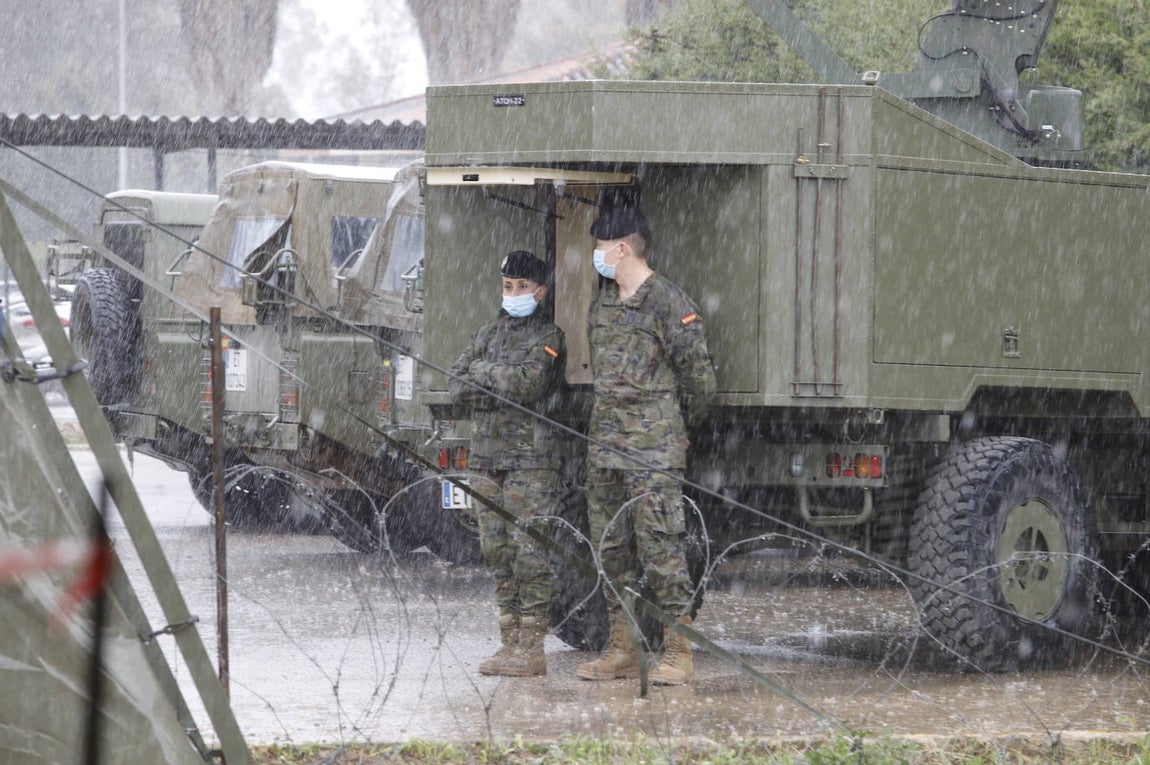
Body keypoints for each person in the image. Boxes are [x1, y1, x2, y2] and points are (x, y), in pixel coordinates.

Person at [575, 203, 716, 686]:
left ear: (621, 247)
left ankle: (679, 649)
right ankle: (624, 647)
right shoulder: (604, 303)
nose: (595, 256)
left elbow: (699, 381)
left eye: (599, 247)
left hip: (653, 450)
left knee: (661, 549)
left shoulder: (669, 302)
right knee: (611, 550)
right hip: (605, 449)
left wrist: (674, 428)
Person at [448, 250, 567, 677]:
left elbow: (527, 384)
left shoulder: (549, 335)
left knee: (529, 552)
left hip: (531, 462)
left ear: (540, 291)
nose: (513, 294)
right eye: (507, 287)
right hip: (487, 458)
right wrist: (494, 375)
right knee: (496, 552)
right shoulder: (485, 334)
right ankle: (509, 643)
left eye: (521, 287)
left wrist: (484, 374)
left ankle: (531, 647)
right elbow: (454, 384)